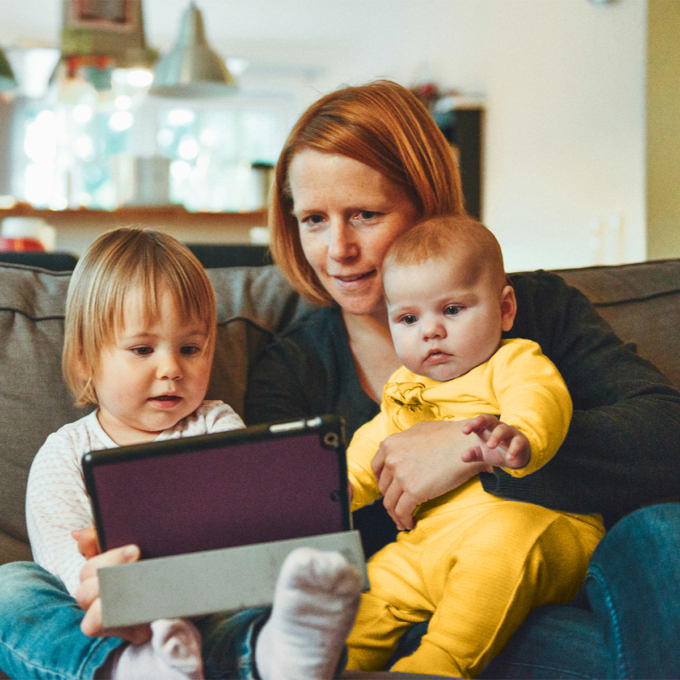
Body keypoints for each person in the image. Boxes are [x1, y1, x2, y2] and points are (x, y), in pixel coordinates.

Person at [244, 79, 680, 676]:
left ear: (426, 205)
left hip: (576, 576)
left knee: (664, 530)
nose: (338, 248)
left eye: (365, 215)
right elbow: (286, 533)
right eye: (314, 220)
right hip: (418, 612)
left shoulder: (534, 309)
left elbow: (666, 436)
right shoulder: (293, 369)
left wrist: (472, 446)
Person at [0, 227, 361, 680]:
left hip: (210, 609)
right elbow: (66, 567)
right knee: (10, 588)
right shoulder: (64, 453)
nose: (172, 368)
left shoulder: (215, 424)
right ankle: (130, 668)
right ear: (85, 359)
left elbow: (251, 521)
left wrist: (302, 504)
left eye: (190, 348)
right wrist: (118, 595)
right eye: (142, 349)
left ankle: (278, 655)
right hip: (110, 622)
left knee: (269, 599)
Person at [345, 215, 605, 677]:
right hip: (428, 545)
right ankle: (327, 663)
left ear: (505, 309)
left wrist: (520, 435)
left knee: (498, 545)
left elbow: (541, 398)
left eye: (452, 310)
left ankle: (436, 665)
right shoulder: (405, 387)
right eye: (409, 318)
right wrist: (340, 487)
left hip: (535, 528)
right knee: (375, 583)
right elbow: (375, 446)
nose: (430, 331)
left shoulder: (513, 360)